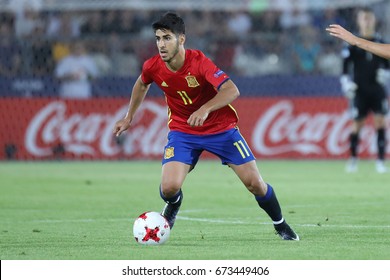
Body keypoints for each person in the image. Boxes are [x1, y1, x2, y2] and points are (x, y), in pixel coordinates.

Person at [113, 12, 299, 240]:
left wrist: (205, 109)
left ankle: (280, 224)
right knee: (169, 187)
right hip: (183, 131)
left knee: (255, 185)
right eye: (158, 38)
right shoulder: (153, 66)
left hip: (221, 129)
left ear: (181, 39)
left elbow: (232, 90)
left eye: (167, 38)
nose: (161, 44)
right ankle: (174, 203)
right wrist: (128, 116)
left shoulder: (199, 62)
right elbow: (142, 84)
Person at [333, 8, 389, 173]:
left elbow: (388, 65)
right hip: (360, 89)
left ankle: (380, 161)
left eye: (369, 18)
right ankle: (353, 159)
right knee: (357, 124)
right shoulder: (350, 44)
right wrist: (346, 84)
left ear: (374, 20)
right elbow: (345, 68)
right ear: (359, 21)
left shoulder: (380, 41)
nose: (367, 21)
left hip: (377, 89)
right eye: (364, 18)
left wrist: (385, 74)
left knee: (380, 122)